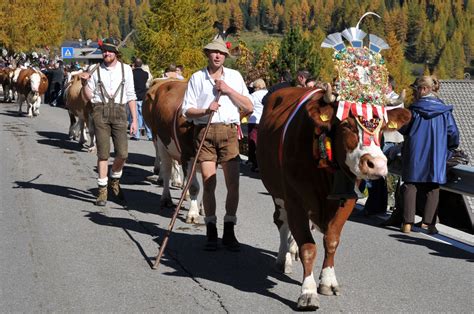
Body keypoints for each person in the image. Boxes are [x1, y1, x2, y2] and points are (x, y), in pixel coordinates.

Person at [182, 36, 253, 251]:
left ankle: (229, 228)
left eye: (221, 53)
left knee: (233, 183)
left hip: (229, 132)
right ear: (207, 54)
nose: (217, 55)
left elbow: (248, 106)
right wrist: (205, 110)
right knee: (208, 181)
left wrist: (229, 90)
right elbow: (187, 110)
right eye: (214, 52)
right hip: (204, 131)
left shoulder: (235, 76)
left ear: (225, 56)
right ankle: (211, 228)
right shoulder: (197, 78)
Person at [79, 37, 138, 206]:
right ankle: (102, 190)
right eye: (104, 50)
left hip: (120, 111)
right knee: (103, 153)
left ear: (116, 53)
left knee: (122, 154)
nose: (106, 53)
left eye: (110, 51)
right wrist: (84, 84)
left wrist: (134, 119)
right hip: (100, 111)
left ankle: (114, 179)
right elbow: (88, 97)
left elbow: (131, 95)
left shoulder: (126, 69)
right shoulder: (94, 69)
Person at [398, 75, 459, 234]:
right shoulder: (444, 111)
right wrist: (449, 149)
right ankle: (429, 225)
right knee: (433, 187)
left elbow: (403, 128)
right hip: (437, 154)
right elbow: (453, 133)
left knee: (411, 185)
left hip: (414, 152)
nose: (415, 93)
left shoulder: (414, 109)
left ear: (424, 89)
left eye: (416, 89)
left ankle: (407, 224)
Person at [364, 75, 404, 216]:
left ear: (388, 86)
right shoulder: (381, 98)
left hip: (389, 139)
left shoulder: (395, 100)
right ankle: (375, 203)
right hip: (380, 138)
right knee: (376, 173)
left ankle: (377, 204)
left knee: (378, 172)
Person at [248, 78, 268, 172]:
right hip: (265, 121)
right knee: (263, 143)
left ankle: (255, 164)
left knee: (253, 143)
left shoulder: (253, 95)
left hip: (254, 121)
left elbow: (249, 108)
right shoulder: (268, 94)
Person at [131, 58, 152, 140]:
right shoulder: (145, 74)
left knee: (135, 117)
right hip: (143, 96)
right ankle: (150, 135)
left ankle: (137, 135)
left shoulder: (131, 73)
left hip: (135, 96)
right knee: (145, 116)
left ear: (134, 64)